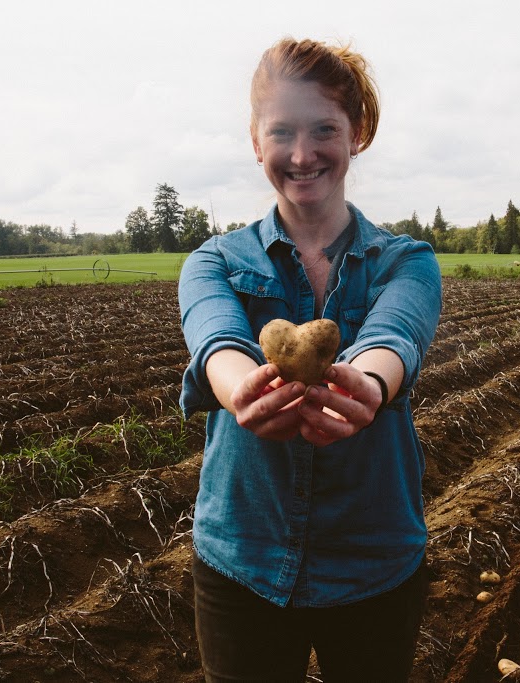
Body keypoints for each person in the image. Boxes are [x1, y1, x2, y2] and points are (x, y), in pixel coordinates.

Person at [177, 38, 442, 683]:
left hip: (373, 558)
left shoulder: (407, 262)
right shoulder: (212, 262)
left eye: (325, 129)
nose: (302, 155)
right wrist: (245, 393)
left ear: (358, 134)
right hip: (243, 560)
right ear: (255, 138)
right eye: (282, 132)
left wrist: (368, 387)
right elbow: (216, 340)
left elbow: (394, 336)